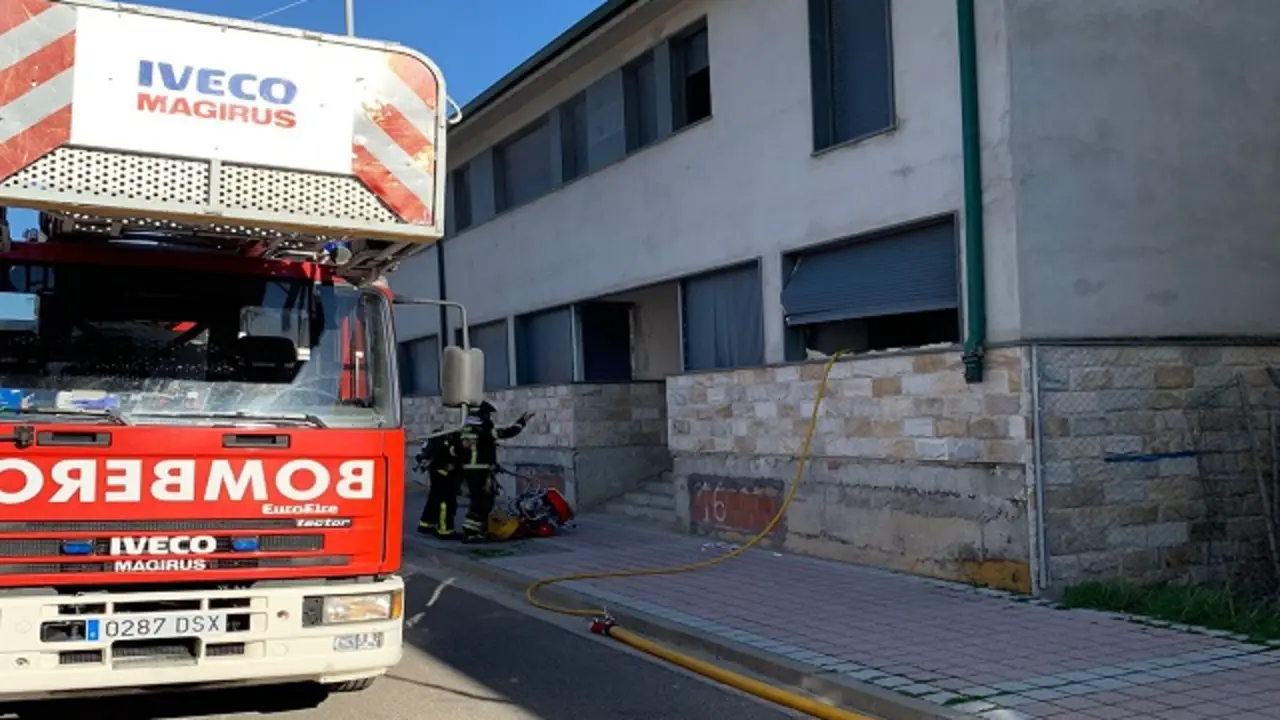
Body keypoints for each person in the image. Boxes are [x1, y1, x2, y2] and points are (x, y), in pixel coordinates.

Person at [459, 401, 533, 543]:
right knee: (483, 502)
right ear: (484, 415)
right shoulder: (484, 428)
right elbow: (507, 432)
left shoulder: (467, 428)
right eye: (489, 415)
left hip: (470, 470)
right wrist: (522, 421)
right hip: (481, 470)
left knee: (477, 500)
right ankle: (471, 533)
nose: (490, 418)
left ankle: (477, 530)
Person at [416, 429, 463, 539]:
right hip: (445, 475)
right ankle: (445, 530)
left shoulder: (438, 438)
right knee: (446, 502)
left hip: (437, 472)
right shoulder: (452, 440)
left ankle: (426, 524)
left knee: (434, 499)